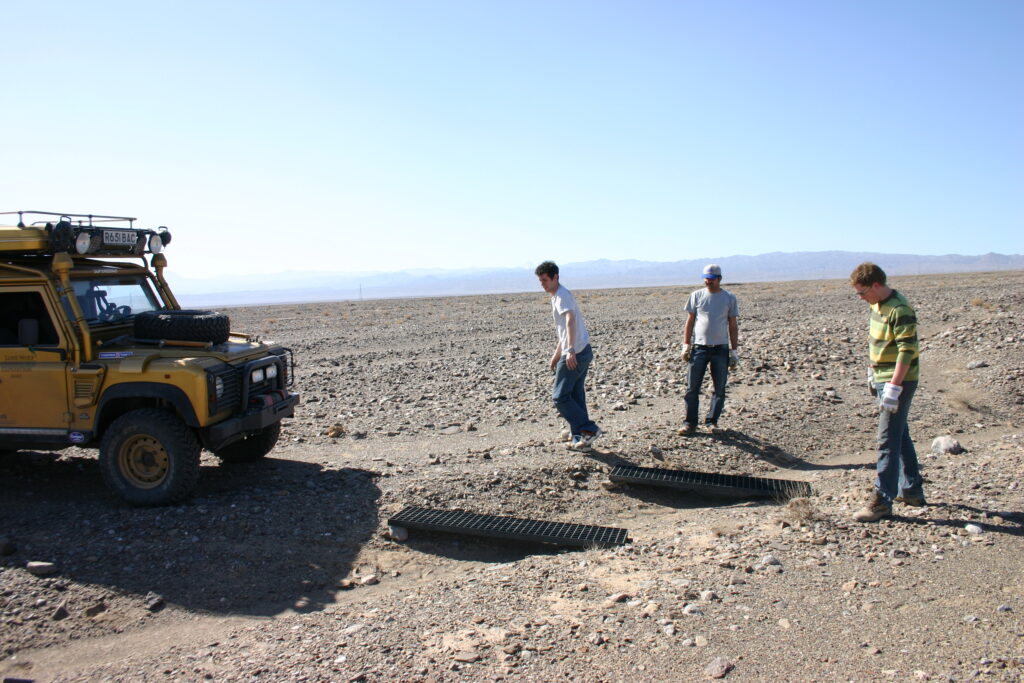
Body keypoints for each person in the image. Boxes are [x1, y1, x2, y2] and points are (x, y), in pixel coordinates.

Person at [850, 262, 924, 522]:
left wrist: (894, 385)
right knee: (899, 434)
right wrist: (873, 370)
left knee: (886, 440)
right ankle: (911, 489)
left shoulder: (900, 309)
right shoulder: (876, 305)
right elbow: (876, 342)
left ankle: (882, 501)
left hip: (898, 381)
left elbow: (907, 349)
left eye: (862, 292)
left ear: (877, 285)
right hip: (883, 377)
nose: (861, 298)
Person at [536, 261, 602, 452]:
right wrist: (556, 355)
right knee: (575, 395)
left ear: (555, 277)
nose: (543, 284)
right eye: (540, 281)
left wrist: (570, 350)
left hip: (576, 353)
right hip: (580, 350)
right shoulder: (557, 296)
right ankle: (580, 440)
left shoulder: (562, 296)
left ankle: (589, 429)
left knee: (560, 397)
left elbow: (570, 319)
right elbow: (564, 330)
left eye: (545, 280)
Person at [679, 264, 739, 435]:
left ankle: (712, 422)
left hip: (720, 349)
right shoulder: (696, 296)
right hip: (699, 349)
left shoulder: (729, 298)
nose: (708, 281)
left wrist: (734, 351)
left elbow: (733, 325)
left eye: (711, 279)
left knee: (719, 388)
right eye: (705, 278)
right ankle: (690, 423)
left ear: (719, 279)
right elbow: (690, 321)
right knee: (692, 388)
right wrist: (686, 345)